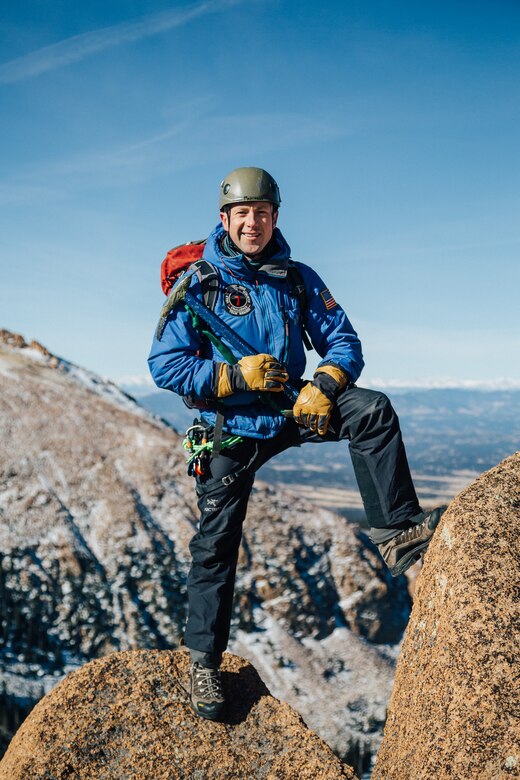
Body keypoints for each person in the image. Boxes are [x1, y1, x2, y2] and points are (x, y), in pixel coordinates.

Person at [148, 167, 446, 720]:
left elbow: (343, 340)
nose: (252, 222)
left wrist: (327, 385)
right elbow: (165, 365)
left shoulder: (296, 277)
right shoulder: (200, 283)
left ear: (275, 217)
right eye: (243, 214)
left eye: (262, 213)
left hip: (291, 410)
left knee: (371, 410)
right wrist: (236, 378)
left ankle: (400, 534)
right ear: (225, 220)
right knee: (215, 545)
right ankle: (204, 666)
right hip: (233, 427)